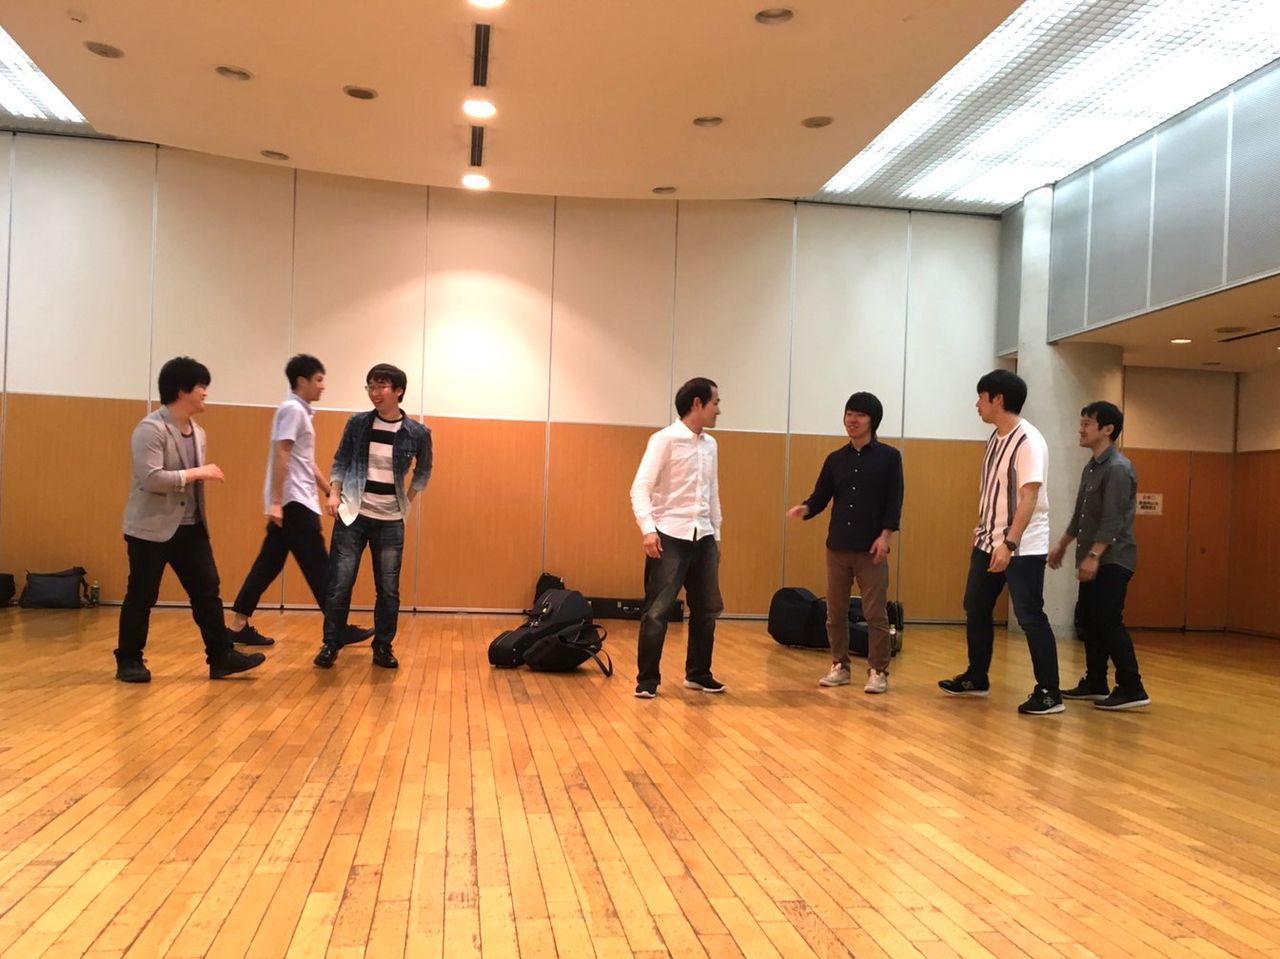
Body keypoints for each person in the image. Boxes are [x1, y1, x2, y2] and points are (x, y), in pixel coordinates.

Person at [114, 356, 266, 683]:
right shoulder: (150, 429)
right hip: (150, 530)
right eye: (201, 386)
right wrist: (198, 473)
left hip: (191, 528)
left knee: (207, 591)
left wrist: (196, 477)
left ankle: (221, 657)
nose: (205, 393)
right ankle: (128, 659)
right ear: (182, 390)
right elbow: (151, 478)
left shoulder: (198, 432)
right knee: (142, 595)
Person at [226, 354, 373, 647]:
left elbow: (304, 460)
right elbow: (282, 453)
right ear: (302, 381)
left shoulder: (299, 413)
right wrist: (277, 501)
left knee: (268, 564)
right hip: (294, 502)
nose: (323, 386)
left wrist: (329, 490)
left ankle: (238, 625)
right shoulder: (293, 410)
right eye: (319, 380)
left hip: (294, 499)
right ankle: (338, 628)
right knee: (320, 567)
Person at [939, 369, 1063, 715]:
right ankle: (977, 676)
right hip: (987, 540)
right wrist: (985, 530)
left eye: (981, 397)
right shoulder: (996, 437)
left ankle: (1049, 692)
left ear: (998, 399)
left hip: (1022, 546)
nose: (976, 404)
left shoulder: (1028, 441)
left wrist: (1009, 544)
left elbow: (1029, 497)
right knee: (976, 606)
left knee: (1029, 615)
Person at [313, 363, 432, 670]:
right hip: (353, 515)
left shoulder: (417, 433)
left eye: (381, 386)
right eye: (371, 386)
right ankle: (331, 644)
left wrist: (406, 501)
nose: (375, 393)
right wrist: (334, 493)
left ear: (399, 391)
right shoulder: (358, 424)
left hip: (391, 521)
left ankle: (383, 646)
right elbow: (340, 460)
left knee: (388, 589)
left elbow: (423, 471)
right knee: (340, 583)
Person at [786, 392, 903, 693]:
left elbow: (894, 502)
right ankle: (840, 666)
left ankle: (878, 670)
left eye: (859, 415)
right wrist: (805, 508)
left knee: (875, 613)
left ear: (872, 421)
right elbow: (820, 496)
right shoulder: (835, 459)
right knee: (835, 612)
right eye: (849, 413)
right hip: (837, 546)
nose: (852, 420)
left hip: (871, 549)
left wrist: (885, 537)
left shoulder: (889, 457)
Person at [1048, 401, 1150, 710]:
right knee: (1089, 620)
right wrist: (1063, 544)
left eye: (1087, 423)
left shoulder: (1118, 468)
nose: (1080, 429)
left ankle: (1132, 686)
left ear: (1107, 429)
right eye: (1081, 423)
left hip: (1113, 559)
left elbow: (1112, 520)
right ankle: (1095, 681)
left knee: (1108, 621)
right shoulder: (1092, 466)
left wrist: (1094, 556)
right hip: (1092, 556)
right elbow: (1082, 514)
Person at [629, 377, 726, 698]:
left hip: (704, 535)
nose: (718, 410)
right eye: (715, 403)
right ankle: (647, 679)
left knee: (707, 609)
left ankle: (698, 674)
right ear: (697, 404)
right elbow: (640, 488)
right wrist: (648, 529)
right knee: (657, 611)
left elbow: (712, 492)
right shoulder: (664, 440)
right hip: (669, 534)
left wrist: (716, 535)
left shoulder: (711, 445)